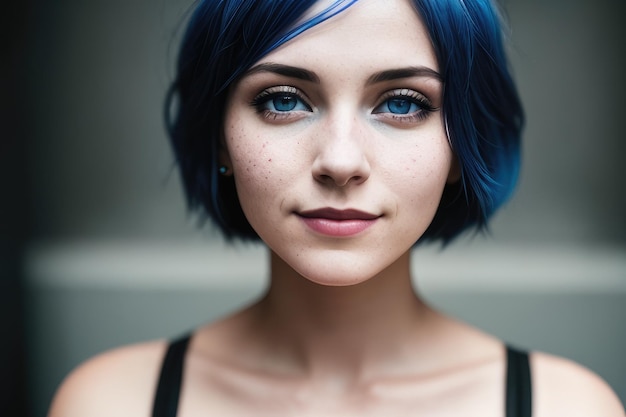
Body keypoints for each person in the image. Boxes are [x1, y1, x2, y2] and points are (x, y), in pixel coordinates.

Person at [48, 0, 624, 416]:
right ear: (220, 136)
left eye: (402, 103)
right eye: (283, 100)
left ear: (461, 143)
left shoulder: (567, 407)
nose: (341, 160)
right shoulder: (110, 402)